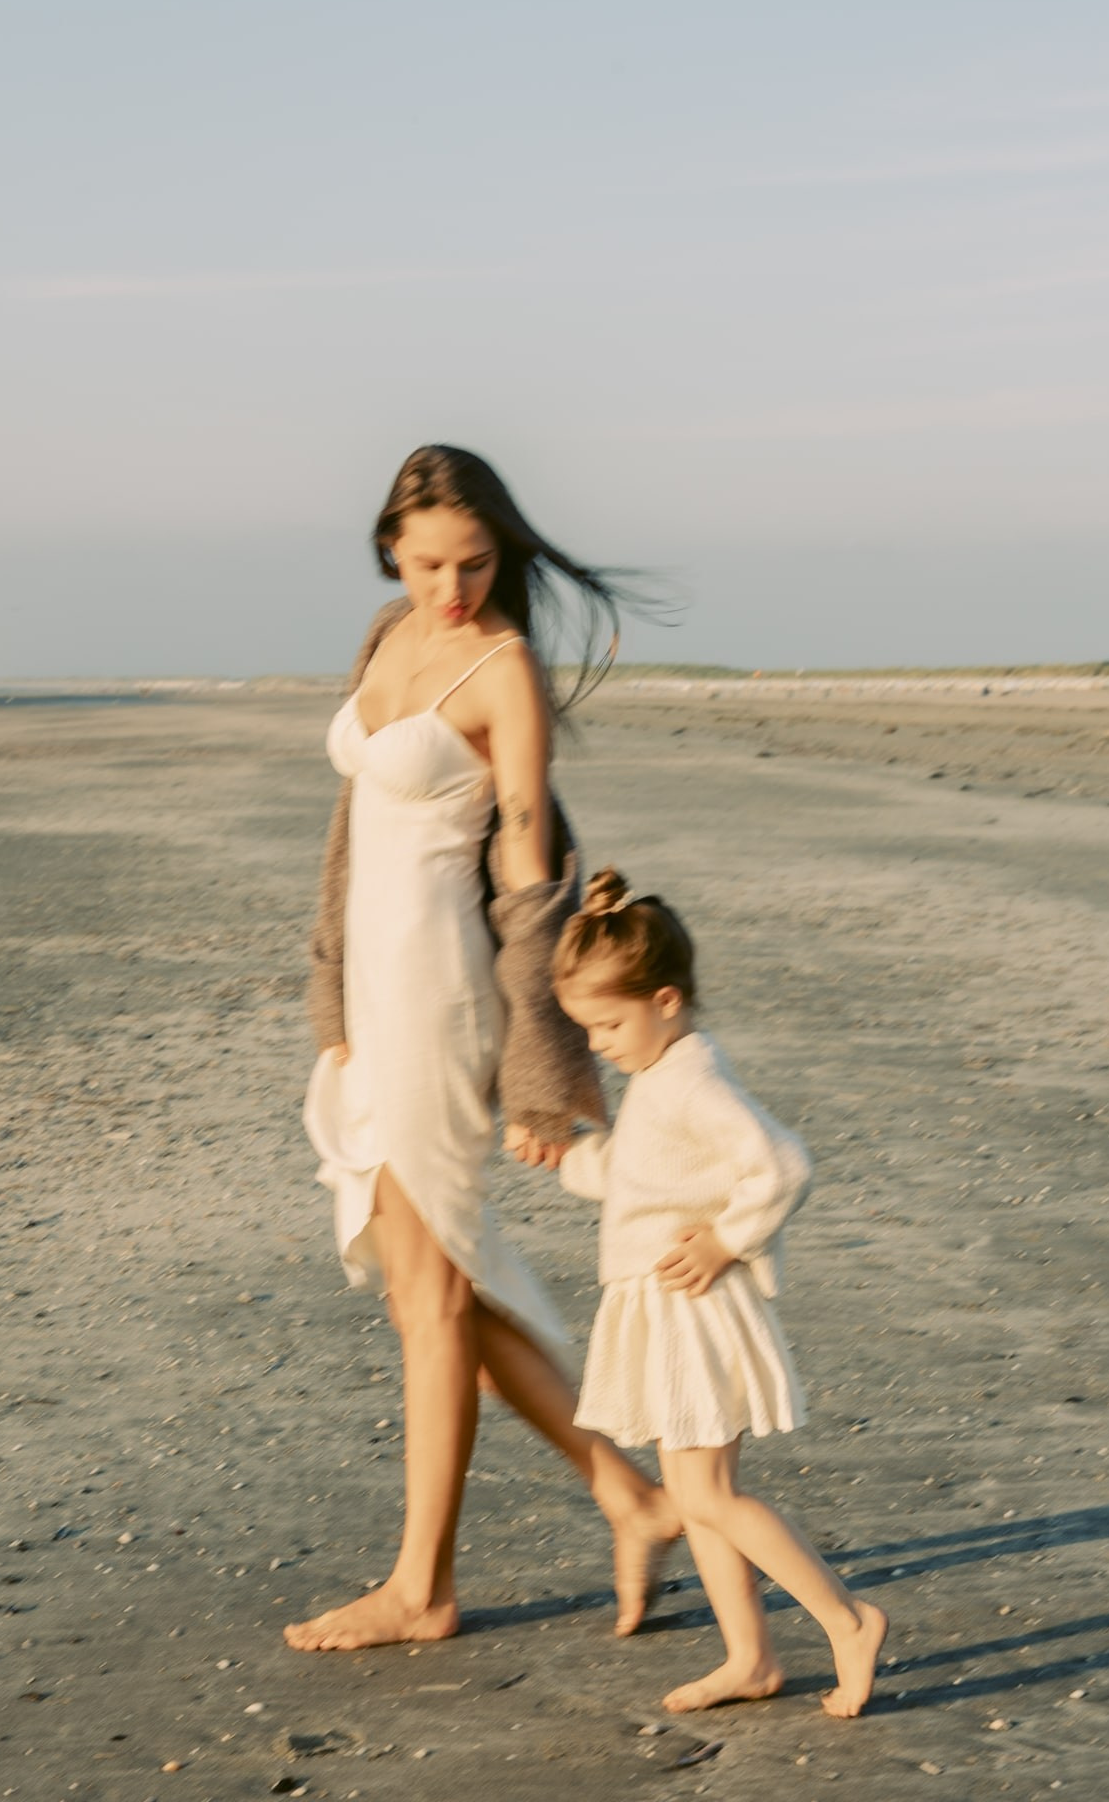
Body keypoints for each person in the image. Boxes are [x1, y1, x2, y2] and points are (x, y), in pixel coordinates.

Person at [285, 445, 677, 1653]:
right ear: (390, 551)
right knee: (431, 1287)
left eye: (477, 562)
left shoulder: (503, 671)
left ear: (501, 554)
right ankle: (627, 1493)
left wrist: (540, 1070)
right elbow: (355, 831)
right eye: (430, 563)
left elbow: (525, 874)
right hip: (373, 983)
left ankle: (422, 1587)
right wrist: (332, 1005)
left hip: (445, 993)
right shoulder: (384, 636)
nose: (453, 587)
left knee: (433, 1286)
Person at [546, 867, 888, 1716]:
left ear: (666, 1000)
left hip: (690, 1309)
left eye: (608, 1023)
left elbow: (781, 1163)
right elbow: (643, 1177)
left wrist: (730, 1241)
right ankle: (751, 1658)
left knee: (708, 1495)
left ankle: (847, 1620)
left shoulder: (692, 1077)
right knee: (697, 1500)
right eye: (586, 1027)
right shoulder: (661, 1076)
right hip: (662, 1310)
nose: (597, 1044)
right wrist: (568, 1156)